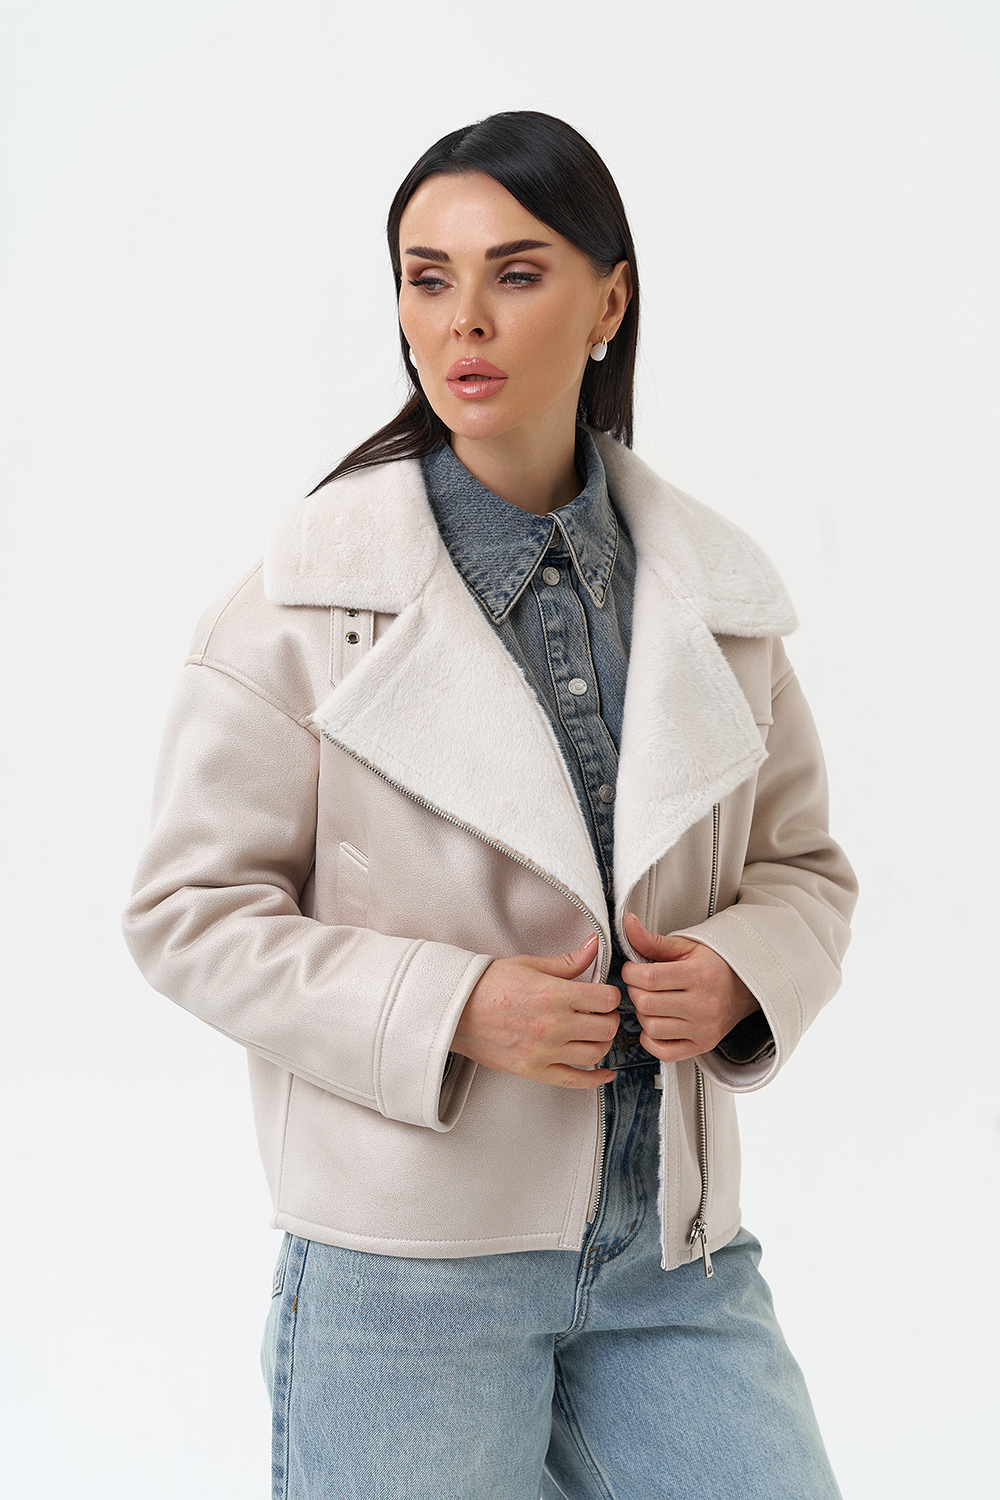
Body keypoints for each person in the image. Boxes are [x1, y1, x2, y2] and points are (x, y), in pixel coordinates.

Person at [123, 111, 857, 1500]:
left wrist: (742, 972)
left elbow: (804, 869)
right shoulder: (301, 602)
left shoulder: (716, 598)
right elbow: (186, 914)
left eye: (517, 274)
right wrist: (452, 1006)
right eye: (427, 277)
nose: (463, 320)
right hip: (408, 1276)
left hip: (676, 1255)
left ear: (609, 302)